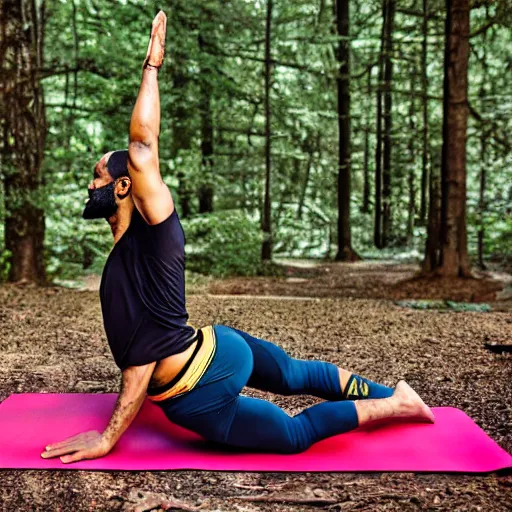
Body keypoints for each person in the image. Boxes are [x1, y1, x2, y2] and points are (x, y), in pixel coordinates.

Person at [41, 11, 434, 464]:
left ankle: (395, 404)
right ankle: (398, 393)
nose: (91, 185)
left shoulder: (155, 228)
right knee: (292, 373)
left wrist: (108, 437)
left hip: (197, 387)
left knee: (292, 435)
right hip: (218, 344)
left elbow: (139, 365)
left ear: (124, 186)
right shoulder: (138, 242)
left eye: (97, 176)